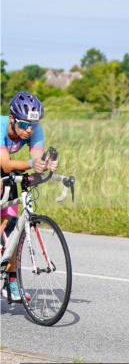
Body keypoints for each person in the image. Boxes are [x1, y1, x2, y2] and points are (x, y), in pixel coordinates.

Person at [1, 92, 58, 303]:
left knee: (13, 224)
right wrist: (32, 164)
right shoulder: (0, 126)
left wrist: (43, 164)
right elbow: (6, 165)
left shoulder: (33, 129)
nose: (29, 130)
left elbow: (36, 157)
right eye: (24, 124)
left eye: (33, 124)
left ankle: (11, 282)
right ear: (12, 118)